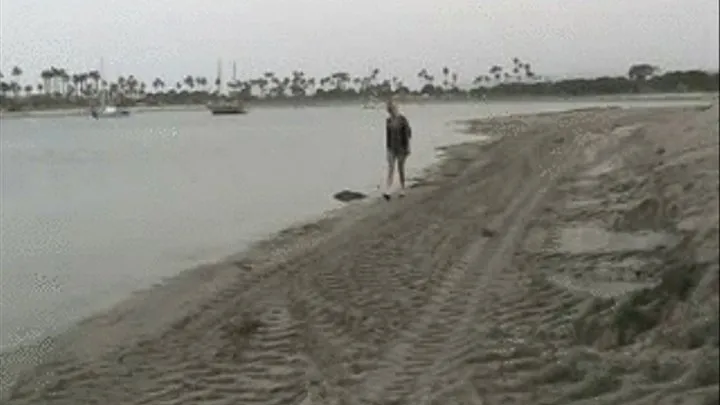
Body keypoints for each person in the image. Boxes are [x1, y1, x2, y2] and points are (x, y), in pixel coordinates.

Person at [383, 99, 412, 200]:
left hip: (401, 148)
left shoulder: (402, 119)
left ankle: (403, 188)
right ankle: (388, 190)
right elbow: (387, 136)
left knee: (400, 169)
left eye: (394, 108)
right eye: (391, 109)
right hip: (391, 148)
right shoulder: (388, 120)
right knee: (390, 169)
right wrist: (387, 149)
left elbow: (408, 133)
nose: (392, 110)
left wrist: (408, 147)